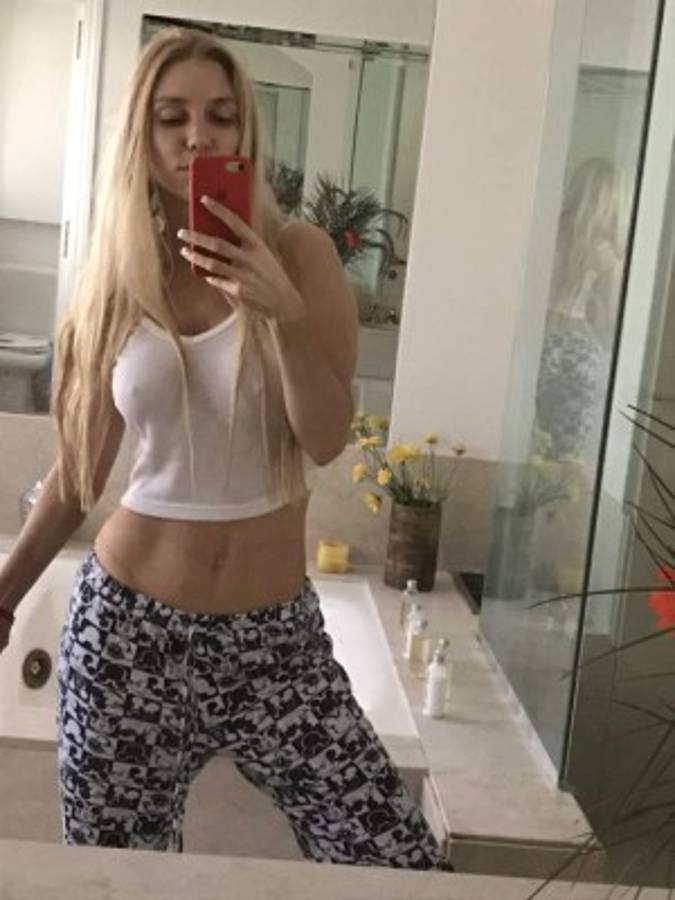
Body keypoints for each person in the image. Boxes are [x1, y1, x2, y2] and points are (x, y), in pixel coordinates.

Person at [0, 28, 442, 868]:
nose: (198, 137)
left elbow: (323, 440)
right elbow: (78, 476)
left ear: (246, 131)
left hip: (275, 644)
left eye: (220, 116)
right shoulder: (116, 280)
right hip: (129, 637)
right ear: (143, 136)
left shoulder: (300, 255)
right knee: (114, 881)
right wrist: (5, 596)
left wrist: (279, 311)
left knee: (394, 859)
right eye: (172, 118)